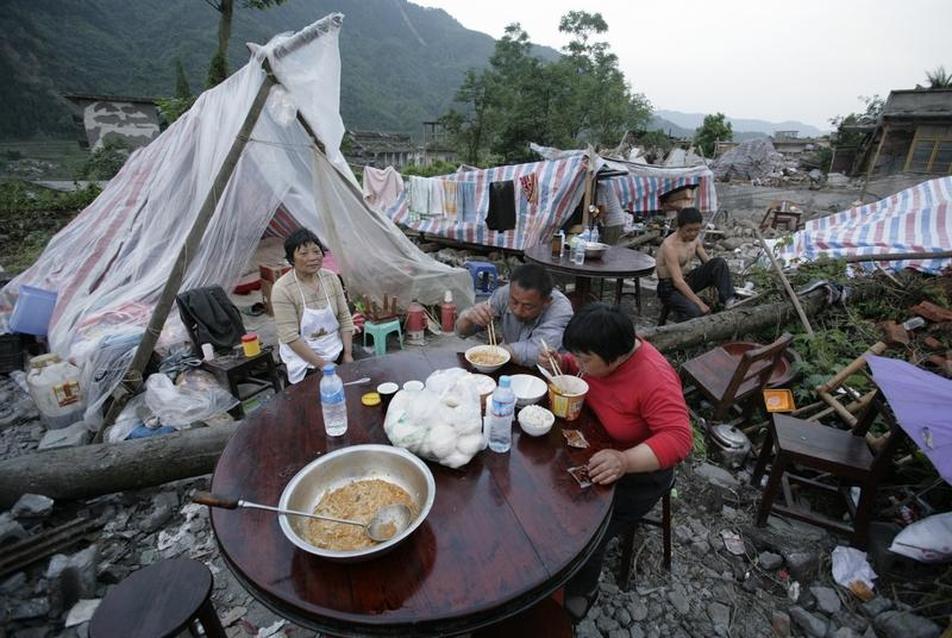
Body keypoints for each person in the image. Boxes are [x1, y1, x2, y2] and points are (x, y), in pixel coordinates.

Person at [539, 304, 692, 621]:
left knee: (586, 525)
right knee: (544, 488)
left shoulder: (654, 377)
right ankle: (545, 561)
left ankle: (582, 590)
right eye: (577, 355)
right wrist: (562, 363)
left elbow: (679, 438)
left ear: (619, 357)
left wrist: (624, 460)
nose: (579, 363)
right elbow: (577, 370)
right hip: (596, 440)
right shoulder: (598, 357)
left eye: (585, 358)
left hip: (639, 471)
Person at [271, 229, 354, 384]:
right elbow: (290, 337)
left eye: (316, 252)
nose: (312, 258)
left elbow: (345, 317)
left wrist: (348, 354)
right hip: (304, 358)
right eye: (304, 254)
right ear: (291, 259)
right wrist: (323, 365)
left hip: (334, 347)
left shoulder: (331, 278)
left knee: (365, 373)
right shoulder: (282, 289)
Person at [455, 263, 573, 366]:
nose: (518, 310)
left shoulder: (561, 310)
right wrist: (469, 317)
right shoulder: (505, 293)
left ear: (546, 302)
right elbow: (462, 332)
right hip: (510, 366)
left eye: (528, 306)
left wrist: (496, 354)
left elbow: (538, 351)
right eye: (514, 302)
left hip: (545, 373)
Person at [655, 207, 736, 320]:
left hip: (688, 279)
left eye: (696, 230)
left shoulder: (695, 239)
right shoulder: (670, 246)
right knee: (696, 311)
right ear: (680, 227)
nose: (693, 233)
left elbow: (708, 263)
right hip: (670, 288)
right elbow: (678, 282)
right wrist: (699, 303)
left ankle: (730, 301)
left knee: (719, 263)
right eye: (689, 230)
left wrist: (716, 279)